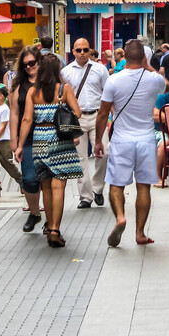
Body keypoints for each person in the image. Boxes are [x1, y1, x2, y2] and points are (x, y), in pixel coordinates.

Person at [94, 39, 166, 248]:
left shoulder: (113, 80)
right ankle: (140, 233)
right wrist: (147, 66)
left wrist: (98, 140)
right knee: (144, 187)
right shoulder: (154, 79)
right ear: (144, 57)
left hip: (121, 140)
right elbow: (164, 84)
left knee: (116, 185)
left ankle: (120, 218)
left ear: (124, 57)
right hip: (146, 140)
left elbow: (103, 113)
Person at [15, 53, 82, 248]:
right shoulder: (64, 89)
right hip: (59, 139)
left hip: (39, 139)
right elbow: (77, 112)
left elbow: (27, 119)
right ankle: (54, 229)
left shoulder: (33, 91)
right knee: (58, 186)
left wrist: (20, 145)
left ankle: (49, 224)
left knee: (45, 186)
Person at [61, 38, 110, 209]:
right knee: (80, 158)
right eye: (79, 50)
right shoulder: (66, 72)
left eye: (85, 49)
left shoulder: (100, 69)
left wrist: (109, 116)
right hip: (76, 118)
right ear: (73, 52)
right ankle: (86, 196)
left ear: (90, 51)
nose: (82, 53)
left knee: (104, 153)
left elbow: (107, 92)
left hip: (97, 116)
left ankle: (98, 188)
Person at [9, 46, 44, 232]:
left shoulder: (49, 81)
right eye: (25, 65)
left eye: (32, 63)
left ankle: (52, 220)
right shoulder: (18, 86)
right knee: (29, 179)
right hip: (27, 137)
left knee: (49, 181)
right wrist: (13, 140)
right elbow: (14, 113)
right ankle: (34, 212)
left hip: (49, 136)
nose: (29, 67)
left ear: (39, 62)